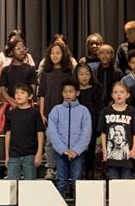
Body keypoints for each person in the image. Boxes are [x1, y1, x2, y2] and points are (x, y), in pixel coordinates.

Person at [2, 83, 44, 206]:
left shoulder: (34, 113)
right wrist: (7, 155)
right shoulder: (11, 113)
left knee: (29, 186)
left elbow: (40, 133)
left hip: (30, 155)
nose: (18, 95)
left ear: (30, 96)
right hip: (14, 155)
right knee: (11, 185)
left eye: (22, 92)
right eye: (17, 92)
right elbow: (8, 134)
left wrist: (39, 153)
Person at [47, 79, 92, 197]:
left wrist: (76, 150)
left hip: (78, 153)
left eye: (71, 91)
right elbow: (52, 132)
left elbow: (86, 133)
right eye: (65, 92)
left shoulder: (84, 111)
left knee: (77, 181)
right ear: (62, 93)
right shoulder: (56, 110)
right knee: (61, 181)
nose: (68, 94)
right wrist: (62, 149)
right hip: (61, 153)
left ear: (77, 93)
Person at [38, 42, 74, 180]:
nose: (55, 56)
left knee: (63, 141)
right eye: (52, 53)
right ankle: (50, 168)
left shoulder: (68, 72)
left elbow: (71, 93)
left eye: (58, 53)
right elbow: (41, 95)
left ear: (63, 55)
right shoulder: (45, 73)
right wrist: (42, 112)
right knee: (49, 142)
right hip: (49, 113)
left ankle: (62, 169)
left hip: (64, 113)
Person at [98, 82, 135, 179]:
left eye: (122, 92)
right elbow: (103, 133)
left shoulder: (132, 111)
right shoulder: (106, 111)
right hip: (111, 158)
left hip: (127, 157)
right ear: (112, 95)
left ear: (127, 95)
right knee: (112, 181)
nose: (119, 94)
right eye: (116, 92)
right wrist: (104, 150)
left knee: (125, 182)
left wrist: (134, 149)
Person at [76, 62, 104, 179]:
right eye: (81, 74)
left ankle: (90, 178)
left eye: (87, 73)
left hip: (92, 128)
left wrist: (98, 128)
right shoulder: (74, 90)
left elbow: (99, 109)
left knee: (90, 155)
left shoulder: (96, 88)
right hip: (76, 128)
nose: (84, 76)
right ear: (76, 76)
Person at [0, 39, 38, 107]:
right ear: (11, 52)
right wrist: (12, 103)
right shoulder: (6, 70)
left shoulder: (30, 69)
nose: (22, 50)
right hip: (11, 106)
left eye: (23, 48)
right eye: (18, 49)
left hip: (27, 105)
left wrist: (25, 102)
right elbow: (3, 90)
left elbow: (33, 88)